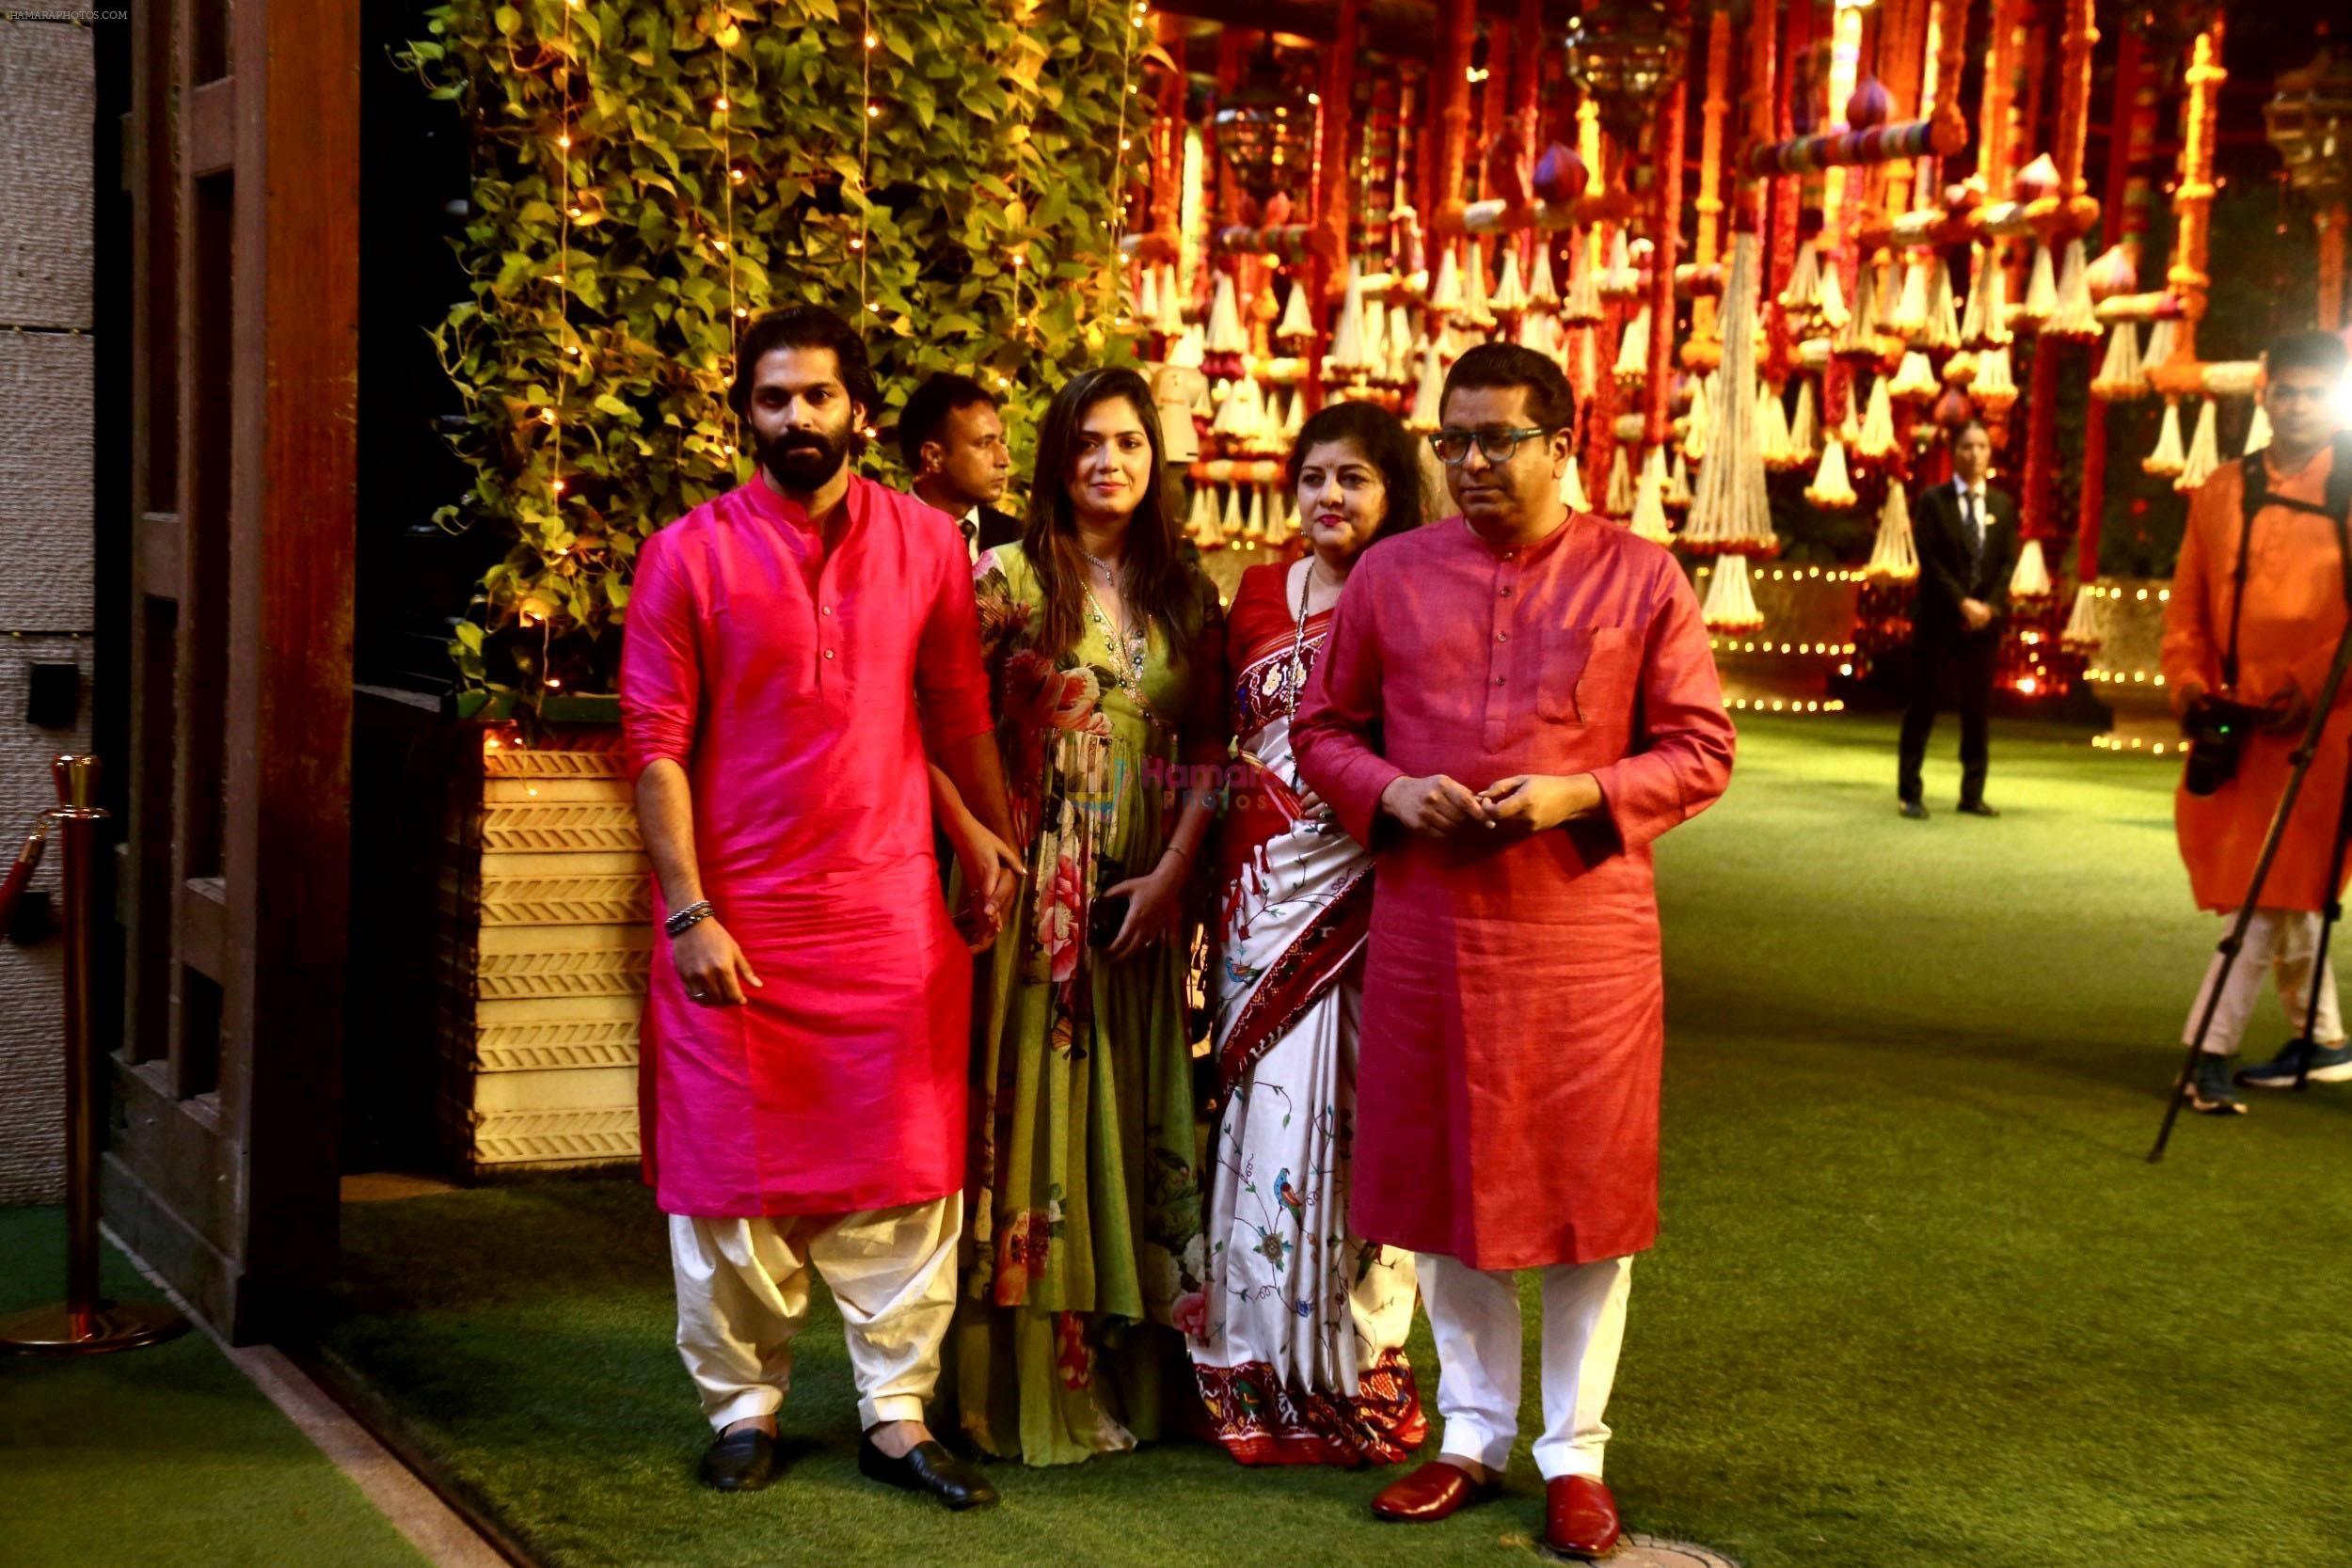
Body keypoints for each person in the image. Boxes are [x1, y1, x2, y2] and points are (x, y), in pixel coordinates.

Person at [1292, 343, 1736, 1560]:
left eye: (1499, 439)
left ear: (1562, 445)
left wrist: (1578, 791)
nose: (1474, 462)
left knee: (1588, 1204)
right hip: (1435, 926)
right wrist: (1393, 789)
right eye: (1456, 440)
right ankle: (1472, 1435)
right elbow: (1323, 728)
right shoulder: (1391, 573)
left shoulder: (1640, 578)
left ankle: (1574, 1453)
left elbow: (1702, 746)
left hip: (1583, 939)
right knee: (1449, 1189)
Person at [618, 305, 1022, 1509]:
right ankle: (743, 1407)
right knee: (730, 1186)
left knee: (905, 1176)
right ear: (743, 409)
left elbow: (953, 712)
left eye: (820, 396)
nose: (798, 417)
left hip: (889, 909)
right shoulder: (685, 553)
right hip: (738, 912)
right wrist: (687, 911)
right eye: (775, 398)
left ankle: (894, 1414)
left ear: (861, 408)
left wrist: (984, 843)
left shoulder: (924, 544)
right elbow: (653, 747)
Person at [946, 366, 1226, 1466]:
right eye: (1086, 443)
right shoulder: (1001, 580)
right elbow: (927, 724)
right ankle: (1015, 1390)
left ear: (1154, 462)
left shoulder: (1186, 596)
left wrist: (1171, 878)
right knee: (1035, 1121)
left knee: (1136, 1108)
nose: (1108, 460)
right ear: (1057, 460)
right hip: (1033, 895)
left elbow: (1210, 750)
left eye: (1128, 442)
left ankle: (1145, 1383)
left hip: (1142, 891)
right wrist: (981, 842)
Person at [1188, 401, 1428, 1467]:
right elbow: (1221, 738)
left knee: (1358, 1117)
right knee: (1259, 1116)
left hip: (1368, 893)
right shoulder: (1250, 593)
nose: (1329, 496)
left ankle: (1351, 1361)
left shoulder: (1421, 591)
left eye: (1355, 479)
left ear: (1392, 495)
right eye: (1315, 476)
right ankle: (1249, 1359)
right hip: (1256, 896)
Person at [2160, 328, 2352, 1115]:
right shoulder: (2221, 488)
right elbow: (2188, 605)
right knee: (2278, 882)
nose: (2298, 405)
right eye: (2286, 390)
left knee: (2270, 887)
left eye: (2314, 392)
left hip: (2325, 724)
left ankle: (2208, 1048)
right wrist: (2190, 685)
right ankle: (2326, 1038)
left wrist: (2305, 687)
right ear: (2264, 393)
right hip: (2231, 722)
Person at [1898, 418, 2020, 819]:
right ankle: (1910, 793)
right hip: (1938, 619)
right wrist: (1961, 603)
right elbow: (1930, 559)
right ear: (1955, 452)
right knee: (1924, 704)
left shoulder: (2002, 505)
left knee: (1976, 710)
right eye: (1968, 446)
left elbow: (2006, 563)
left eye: (1982, 446)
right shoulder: (1934, 501)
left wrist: (1988, 607)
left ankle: (1972, 793)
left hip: (1984, 626)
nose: (1976, 454)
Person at [901, 372, 1021, 562]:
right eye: (984, 443)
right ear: (933, 456)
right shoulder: (878, 537)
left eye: (1001, 442)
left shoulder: (1019, 541)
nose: (1004, 460)